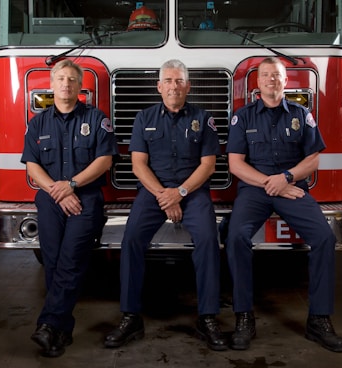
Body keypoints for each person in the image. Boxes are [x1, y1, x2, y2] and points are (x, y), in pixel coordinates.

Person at [225, 57, 342, 352]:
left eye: (276, 76)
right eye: (266, 75)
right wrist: (272, 183)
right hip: (256, 191)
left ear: (285, 81)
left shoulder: (301, 114)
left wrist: (287, 178)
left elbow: (314, 158)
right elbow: (236, 165)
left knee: (324, 237)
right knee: (236, 236)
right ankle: (244, 316)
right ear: (257, 82)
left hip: (293, 188)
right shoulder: (243, 117)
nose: (271, 80)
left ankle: (318, 319)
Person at [104, 59, 226, 351]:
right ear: (159, 87)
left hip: (192, 191)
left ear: (188, 86)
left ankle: (208, 317)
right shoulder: (143, 118)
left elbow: (208, 165)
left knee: (209, 239)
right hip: (153, 192)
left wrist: (180, 193)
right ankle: (131, 316)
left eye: (179, 80)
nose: (174, 86)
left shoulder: (203, 118)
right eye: (168, 81)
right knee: (131, 238)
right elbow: (138, 164)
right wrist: (164, 195)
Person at [21, 59, 118, 358]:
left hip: (85, 198)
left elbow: (104, 160)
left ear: (80, 86)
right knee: (52, 260)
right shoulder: (38, 123)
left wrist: (72, 185)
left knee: (70, 258)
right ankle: (61, 330)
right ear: (51, 85)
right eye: (60, 79)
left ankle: (49, 325)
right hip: (50, 198)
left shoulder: (97, 118)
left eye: (72, 79)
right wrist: (58, 190)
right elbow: (32, 164)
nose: (65, 84)